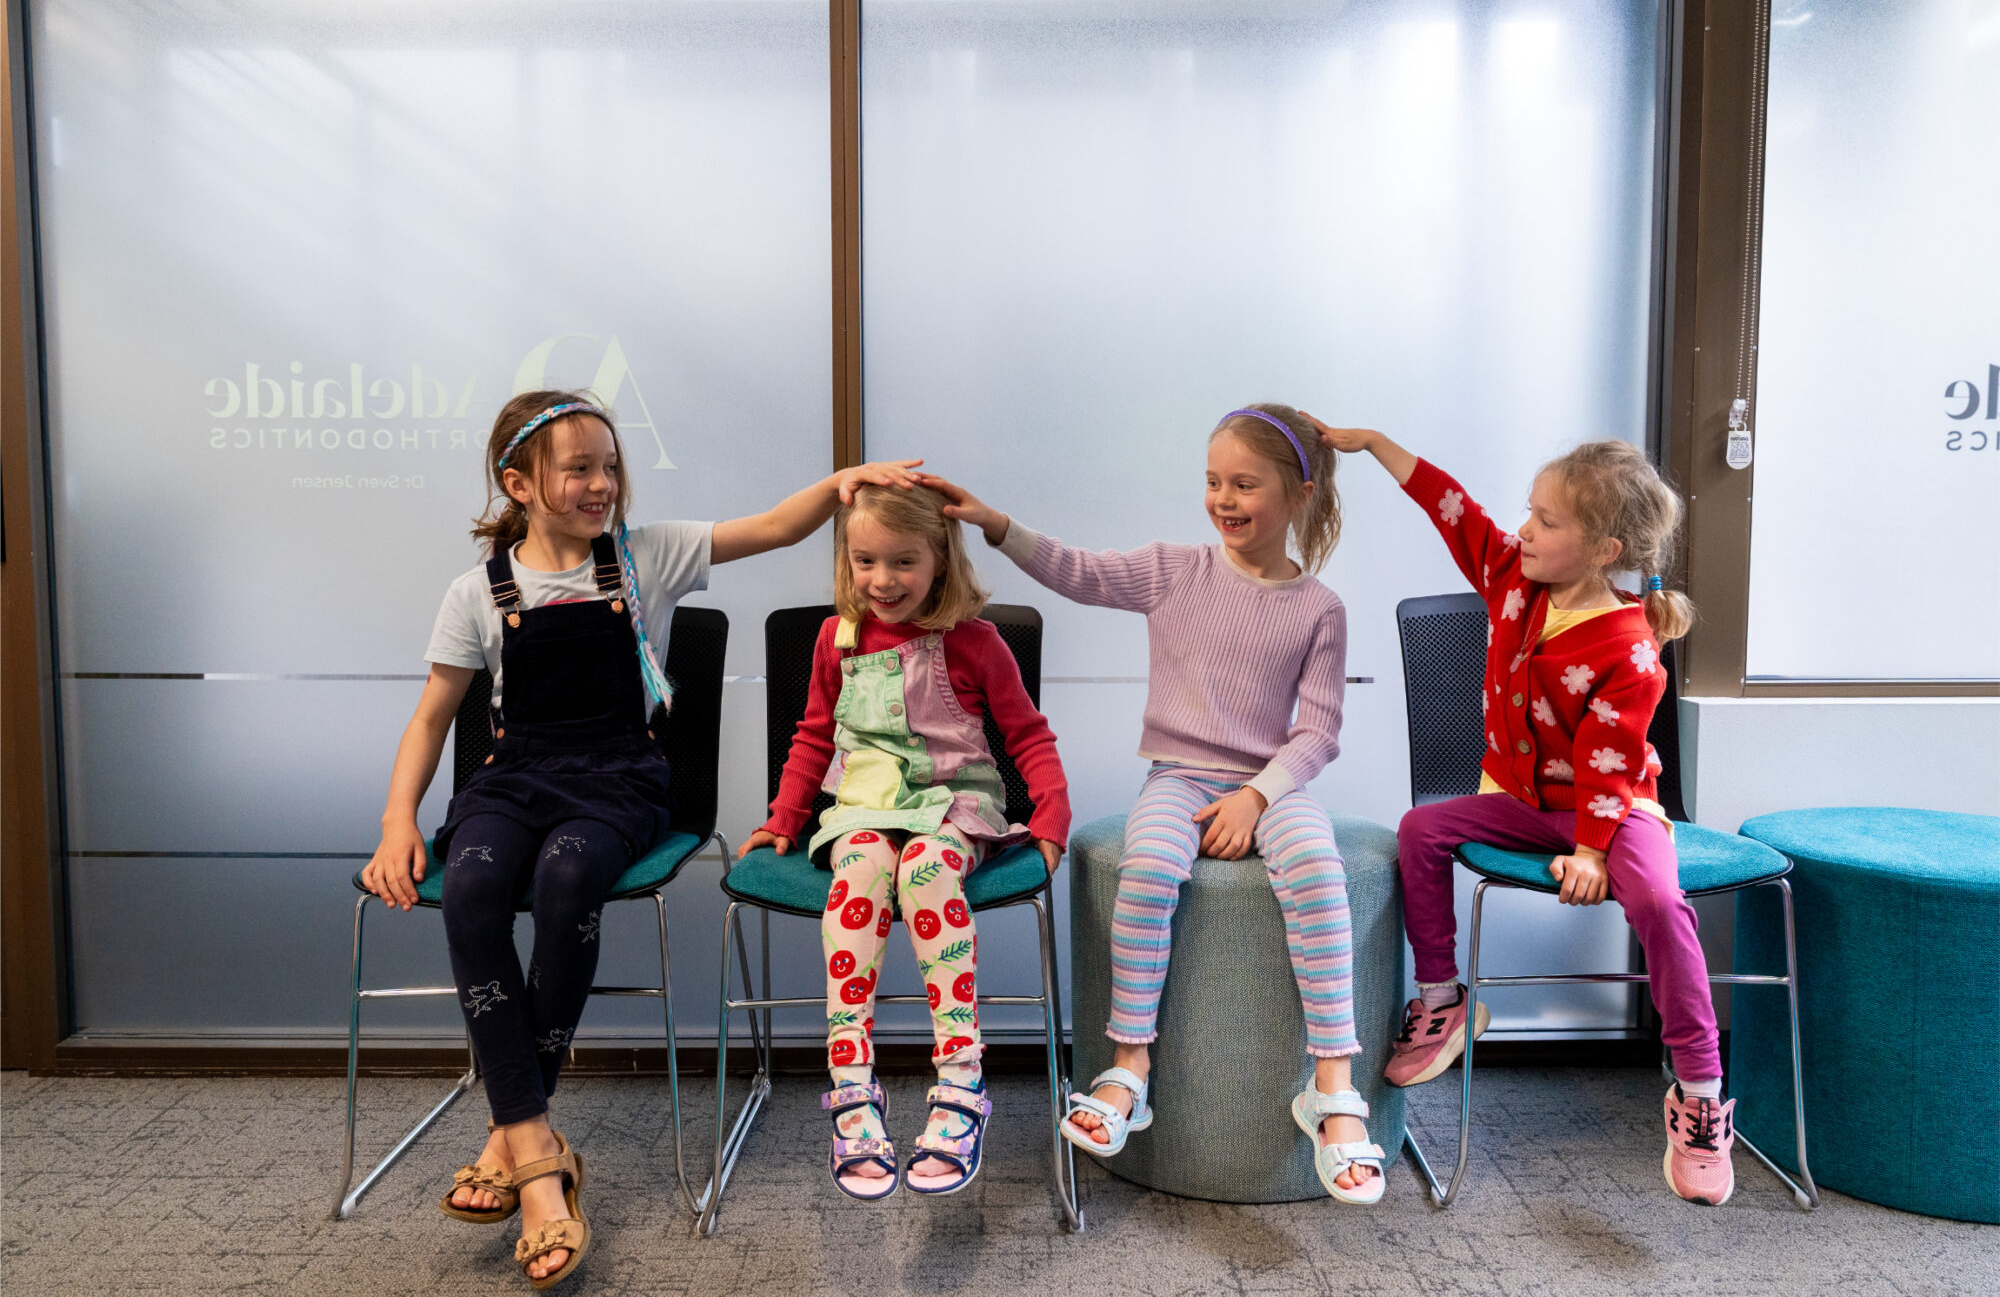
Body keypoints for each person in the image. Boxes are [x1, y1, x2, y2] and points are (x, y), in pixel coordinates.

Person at [362, 389, 920, 1283]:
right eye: (578, 468)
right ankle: (536, 1134)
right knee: (468, 889)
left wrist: (842, 482)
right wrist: (398, 822)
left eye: (610, 465)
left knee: (566, 880)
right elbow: (432, 717)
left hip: (618, 782)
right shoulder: (479, 591)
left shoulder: (645, 557)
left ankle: (521, 1150)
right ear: (519, 482)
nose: (602, 484)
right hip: (511, 780)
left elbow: (774, 528)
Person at [928, 403, 1384, 1205]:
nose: (1224, 498)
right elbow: (1078, 569)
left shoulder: (1321, 609)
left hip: (1273, 783)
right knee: (1145, 871)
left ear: (1300, 493)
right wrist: (998, 524)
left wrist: (1255, 794)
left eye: (1245, 483)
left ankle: (1333, 1088)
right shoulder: (1177, 569)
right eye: (1213, 481)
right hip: (1176, 776)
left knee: (1320, 868)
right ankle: (1128, 1068)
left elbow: (1316, 734)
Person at [1320, 423, 1731, 1205]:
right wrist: (1378, 446)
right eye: (1529, 512)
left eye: (1546, 520)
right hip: (1517, 801)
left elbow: (1610, 763)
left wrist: (1595, 851)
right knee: (1422, 830)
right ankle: (1441, 997)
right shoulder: (1512, 578)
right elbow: (1452, 507)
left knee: (1658, 901)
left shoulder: (1629, 650)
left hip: (1613, 809)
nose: (1523, 529)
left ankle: (1701, 1088)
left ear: (1604, 548)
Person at [739, 482, 1070, 1202]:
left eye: (902, 562)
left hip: (954, 808)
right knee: (857, 881)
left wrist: (1050, 819)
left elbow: (1028, 736)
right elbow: (813, 737)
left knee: (924, 871)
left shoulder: (976, 641)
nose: (882, 580)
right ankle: (853, 1087)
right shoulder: (837, 639)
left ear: (941, 561)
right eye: (865, 561)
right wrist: (783, 818)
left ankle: (960, 1077)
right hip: (863, 807)